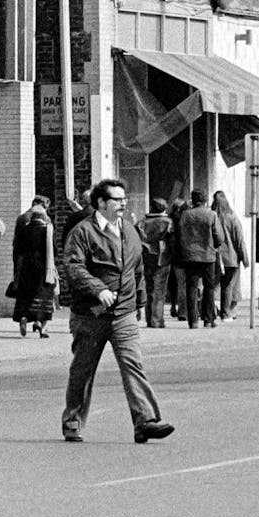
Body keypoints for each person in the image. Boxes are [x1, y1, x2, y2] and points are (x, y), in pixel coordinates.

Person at [61, 178, 173, 445]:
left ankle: (145, 421)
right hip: (90, 315)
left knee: (133, 365)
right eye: (117, 199)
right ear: (101, 202)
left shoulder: (130, 231)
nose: (123, 203)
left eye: (124, 199)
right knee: (83, 371)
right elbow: (74, 266)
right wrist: (97, 289)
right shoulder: (83, 232)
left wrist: (140, 303)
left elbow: (137, 270)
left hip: (123, 314)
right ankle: (73, 421)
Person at [176, 189, 223, 329]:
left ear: (192, 200)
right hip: (208, 255)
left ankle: (193, 321)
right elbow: (219, 237)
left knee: (191, 287)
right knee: (209, 288)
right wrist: (215, 244)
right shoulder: (211, 215)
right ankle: (208, 319)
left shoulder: (185, 215)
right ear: (205, 200)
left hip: (190, 256)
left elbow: (179, 235)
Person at [10, 200, 58, 336]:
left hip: (26, 267)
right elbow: (54, 250)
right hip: (44, 267)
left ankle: (24, 317)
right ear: (43, 216)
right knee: (44, 295)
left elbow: (17, 249)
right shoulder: (47, 230)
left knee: (26, 294)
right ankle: (41, 325)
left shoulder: (24, 229)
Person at [136, 198, 172, 328]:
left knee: (149, 287)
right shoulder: (168, 222)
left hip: (146, 256)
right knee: (160, 289)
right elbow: (172, 240)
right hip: (163, 257)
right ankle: (157, 319)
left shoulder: (141, 222)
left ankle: (149, 317)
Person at [212, 192, 247, 322]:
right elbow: (239, 240)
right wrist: (245, 258)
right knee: (228, 286)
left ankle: (212, 310)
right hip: (230, 258)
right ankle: (226, 313)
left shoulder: (212, 216)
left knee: (213, 285)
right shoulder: (232, 218)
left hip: (214, 257)